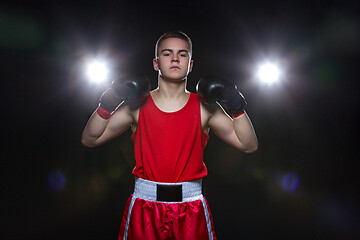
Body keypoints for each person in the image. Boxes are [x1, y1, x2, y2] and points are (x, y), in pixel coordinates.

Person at [81, 31, 258, 240]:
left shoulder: (205, 108)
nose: (175, 58)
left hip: (191, 208)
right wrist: (109, 101)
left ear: (190, 65)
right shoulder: (137, 106)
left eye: (182, 54)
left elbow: (249, 145)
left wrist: (236, 105)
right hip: (144, 208)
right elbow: (90, 138)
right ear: (156, 63)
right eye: (167, 54)